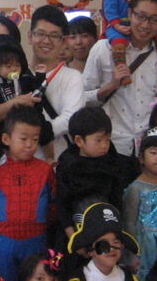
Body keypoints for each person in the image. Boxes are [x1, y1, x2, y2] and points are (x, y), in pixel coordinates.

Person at [83, 0, 157, 156]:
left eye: (154, 19)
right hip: (111, 145)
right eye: (140, 16)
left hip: (152, 149)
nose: (145, 25)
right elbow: (83, 99)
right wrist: (111, 86)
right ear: (129, 13)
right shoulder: (103, 49)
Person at [0, 106, 56, 281]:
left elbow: (53, 205)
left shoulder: (45, 171)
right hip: (4, 243)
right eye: (23, 139)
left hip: (37, 240)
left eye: (35, 139)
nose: (30, 145)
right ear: (6, 139)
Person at [54, 106, 139, 249]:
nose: (104, 145)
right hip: (75, 235)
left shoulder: (114, 164)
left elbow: (117, 202)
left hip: (109, 235)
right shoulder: (68, 167)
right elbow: (63, 205)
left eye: (108, 140)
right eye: (98, 140)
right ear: (79, 140)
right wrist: (74, 240)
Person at [26, 5, 87, 160]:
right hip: (17, 163)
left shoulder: (72, 77)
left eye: (54, 36)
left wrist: (29, 134)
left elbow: (70, 118)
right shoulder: (18, 74)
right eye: (40, 34)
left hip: (58, 162)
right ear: (30, 36)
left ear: (64, 41)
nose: (46, 41)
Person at [123, 127, 157, 281]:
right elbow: (129, 223)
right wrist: (131, 255)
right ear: (141, 157)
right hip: (145, 246)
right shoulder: (136, 188)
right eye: (153, 153)